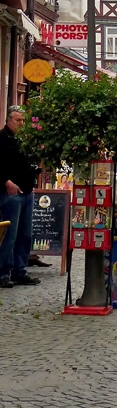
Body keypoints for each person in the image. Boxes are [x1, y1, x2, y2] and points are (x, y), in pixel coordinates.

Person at [0, 106, 40, 288]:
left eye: (24, 120)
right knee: (9, 234)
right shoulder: (1, 139)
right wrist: (6, 182)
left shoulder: (25, 140)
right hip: (10, 193)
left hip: (27, 192)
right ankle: (3, 272)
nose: (22, 124)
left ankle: (20, 271)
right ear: (8, 120)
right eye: (18, 120)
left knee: (25, 234)